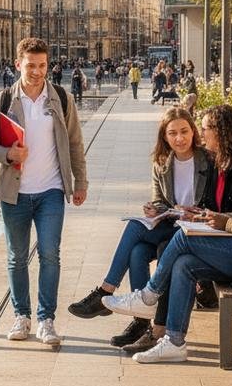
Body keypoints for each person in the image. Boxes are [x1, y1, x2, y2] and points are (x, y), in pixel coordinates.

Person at [103, 113, 232, 363]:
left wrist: (228, 223)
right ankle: (174, 342)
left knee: (184, 238)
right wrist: (212, 218)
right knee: (184, 264)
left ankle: (148, 297)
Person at [115, 104, 232, 353]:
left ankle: (147, 302)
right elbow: (212, 205)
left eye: (204, 128)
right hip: (219, 235)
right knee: (145, 248)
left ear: (220, 131)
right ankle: (166, 335)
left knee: (175, 243)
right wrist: (197, 213)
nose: (202, 134)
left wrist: (211, 217)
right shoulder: (220, 163)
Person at [67, 106, 212, 348]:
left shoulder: (207, 160)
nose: (179, 138)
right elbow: (160, 200)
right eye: (173, 133)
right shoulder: (162, 163)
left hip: (193, 229)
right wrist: (155, 209)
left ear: (193, 131)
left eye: (184, 131)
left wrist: (195, 212)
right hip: (171, 223)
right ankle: (140, 321)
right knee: (137, 247)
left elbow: (214, 202)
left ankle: (107, 292)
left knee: (136, 234)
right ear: (164, 136)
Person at [0, 37, 88, 348]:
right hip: (15, 192)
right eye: (31, 65)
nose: (37, 71)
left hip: (51, 191)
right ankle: (22, 316)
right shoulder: (3, 101)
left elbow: (75, 143)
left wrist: (80, 182)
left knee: (49, 254)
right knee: (17, 257)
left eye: (42, 65)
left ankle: (46, 319)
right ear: (18, 64)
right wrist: (7, 154)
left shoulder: (61, 98)